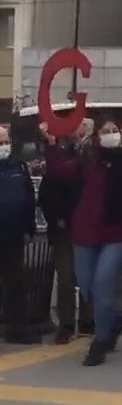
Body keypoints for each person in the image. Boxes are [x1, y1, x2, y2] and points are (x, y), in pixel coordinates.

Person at [42, 120, 122, 366]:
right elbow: (59, 171)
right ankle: (111, 322)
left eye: (115, 131)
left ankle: (100, 341)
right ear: (97, 136)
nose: (110, 135)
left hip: (118, 232)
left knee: (103, 284)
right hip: (86, 232)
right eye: (105, 131)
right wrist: (50, 145)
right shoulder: (88, 161)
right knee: (88, 286)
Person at [39, 118, 96, 343]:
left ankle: (87, 320)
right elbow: (50, 188)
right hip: (65, 226)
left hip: (86, 225)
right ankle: (66, 324)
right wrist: (56, 217)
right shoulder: (64, 157)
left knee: (86, 276)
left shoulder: (90, 157)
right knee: (65, 277)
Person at [0, 126, 38, 344]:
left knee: (15, 282)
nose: (4, 147)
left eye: (5, 142)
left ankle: (17, 328)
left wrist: (29, 225)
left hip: (13, 234)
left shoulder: (18, 167)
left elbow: (28, 197)